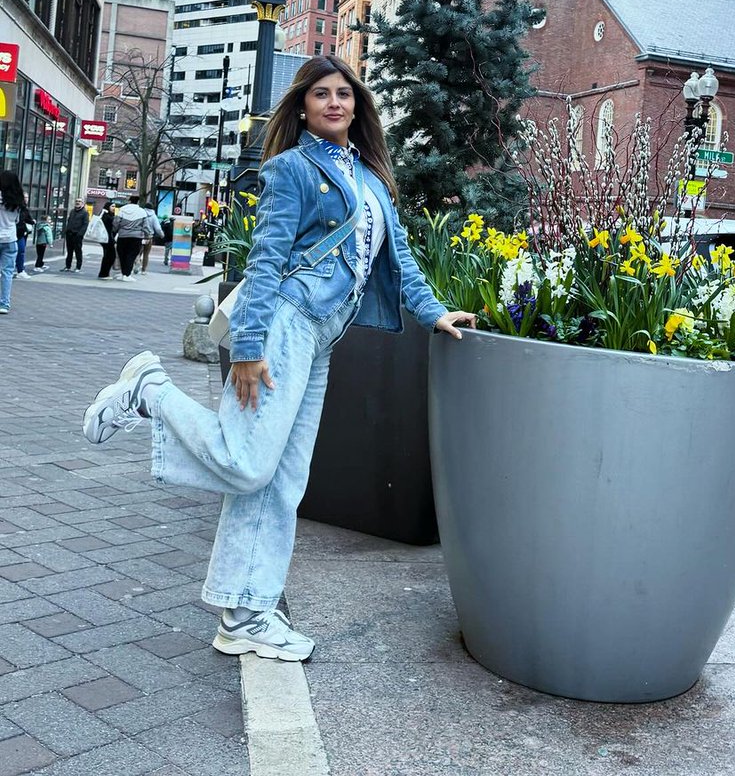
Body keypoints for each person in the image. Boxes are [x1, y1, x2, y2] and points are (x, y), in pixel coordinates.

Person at [82, 56, 476, 662]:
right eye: (321, 94)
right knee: (248, 467)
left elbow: (399, 262)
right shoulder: (291, 169)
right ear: (302, 107)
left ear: (358, 105)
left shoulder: (372, 180)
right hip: (285, 323)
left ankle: (246, 614)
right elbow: (265, 262)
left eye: (345, 93)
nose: (335, 103)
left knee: (282, 482)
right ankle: (150, 390)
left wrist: (434, 314)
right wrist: (247, 347)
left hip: (323, 337)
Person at [0, 171, 26, 312]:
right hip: (10, 238)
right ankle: (4, 303)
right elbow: (16, 220)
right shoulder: (18, 200)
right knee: (7, 272)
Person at [114, 195, 149, 281]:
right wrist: (147, 235)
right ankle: (127, 274)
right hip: (136, 237)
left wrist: (116, 230)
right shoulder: (142, 212)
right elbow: (145, 226)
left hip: (122, 236)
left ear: (129, 201)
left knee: (122, 255)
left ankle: (123, 273)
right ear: (137, 202)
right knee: (131, 255)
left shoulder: (122, 210)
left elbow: (116, 223)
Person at [63, 199, 89, 271]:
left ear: (82, 203)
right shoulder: (72, 211)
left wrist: (80, 234)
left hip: (77, 235)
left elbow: (85, 224)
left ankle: (78, 267)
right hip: (69, 234)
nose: (77, 202)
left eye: (79, 201)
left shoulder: (85, 213)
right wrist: (67, 230)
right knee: (69, 252)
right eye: (76, 201)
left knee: (78, 251)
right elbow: (69, 221)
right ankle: (67, 266)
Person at [139, 203, 163, 273]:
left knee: (138, 252)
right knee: (146, 254)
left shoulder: (141, 214)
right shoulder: (154, 216)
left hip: (140, 236)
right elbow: (158, 228)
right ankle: (143, 270)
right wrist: (162, 235)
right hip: (149, 237)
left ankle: (136, 265)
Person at [97, 201, 118, 279]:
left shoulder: (109, 215)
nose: (114, 208)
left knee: (108, 256)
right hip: (107, 239)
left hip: (107, 239)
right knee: (110, 256)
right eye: (112, 206)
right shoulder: (107, 216)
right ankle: (104, 274)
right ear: (108, 207)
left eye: (114, 206)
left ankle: (104, 273)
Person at [14, 202, 34, 278]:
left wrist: (32, 222)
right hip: (10, 234)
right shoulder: (10, 208)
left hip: (20, 233)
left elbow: (27, 219)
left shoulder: (24, 209)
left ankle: (20, 270)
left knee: (21, 251)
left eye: (27, 198)